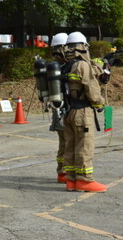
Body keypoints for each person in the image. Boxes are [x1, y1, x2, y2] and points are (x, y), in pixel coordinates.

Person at [63, 32, 106, 193]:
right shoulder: (82, 65)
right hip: (82, 112)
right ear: (83, 46)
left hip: (68, 111)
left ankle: (71, 180)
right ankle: (85, 181)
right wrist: (99, 103)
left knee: (71, 146)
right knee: (84, 146)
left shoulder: (66, 65)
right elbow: (91, 88)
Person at [48, 33, 69, 183]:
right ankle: (64, 172)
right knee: (68, 142)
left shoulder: (54, 66)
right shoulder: (66, 66)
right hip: (66, 108)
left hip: (58, 108)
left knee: (64, 142)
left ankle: (62, 172)